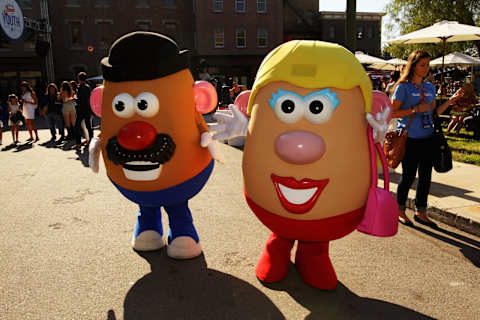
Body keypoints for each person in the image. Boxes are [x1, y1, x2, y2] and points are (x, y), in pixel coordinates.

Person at [391, 49, 460, 228]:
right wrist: (414, 110)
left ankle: (421, 211)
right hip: (409, 138)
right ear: (413, 66)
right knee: (408, 176)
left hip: (428, 137)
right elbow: (392, 113)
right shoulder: (403, 87)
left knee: (425, 177)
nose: (426, 68)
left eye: (428, 64)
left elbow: (434, 113)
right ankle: (399, 209)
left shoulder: (429, 87)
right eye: (423, 65)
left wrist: (450, 101)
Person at [74, 72, 94, 149]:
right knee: (89, 126)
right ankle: (90, 141)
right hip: (88, 109)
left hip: (81, 110)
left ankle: (78, 143)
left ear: (79, 78)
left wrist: (75, 99)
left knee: (77, 126)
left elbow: (81, 99)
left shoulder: (81, 87)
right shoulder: (88, 86)